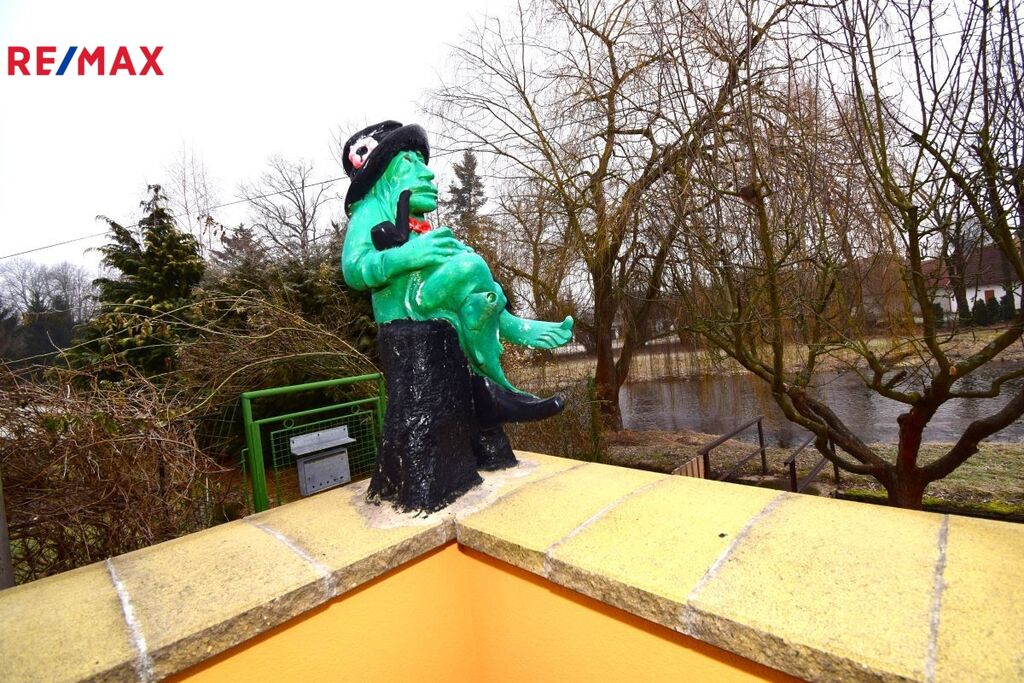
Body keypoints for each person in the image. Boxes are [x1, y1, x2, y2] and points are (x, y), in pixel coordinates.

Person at [341, 121, 573, 403]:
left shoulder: (414, 220)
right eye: (408, 163)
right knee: (470, 268)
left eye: (421, 162)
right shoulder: (370, 209)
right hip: (404, 306)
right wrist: (407, 256)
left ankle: (491, 387)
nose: (427, 173)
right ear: (381, 175)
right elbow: (353, 268)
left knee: (477, 288)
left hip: (422, 296)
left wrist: (452, 251)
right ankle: (501, 385)